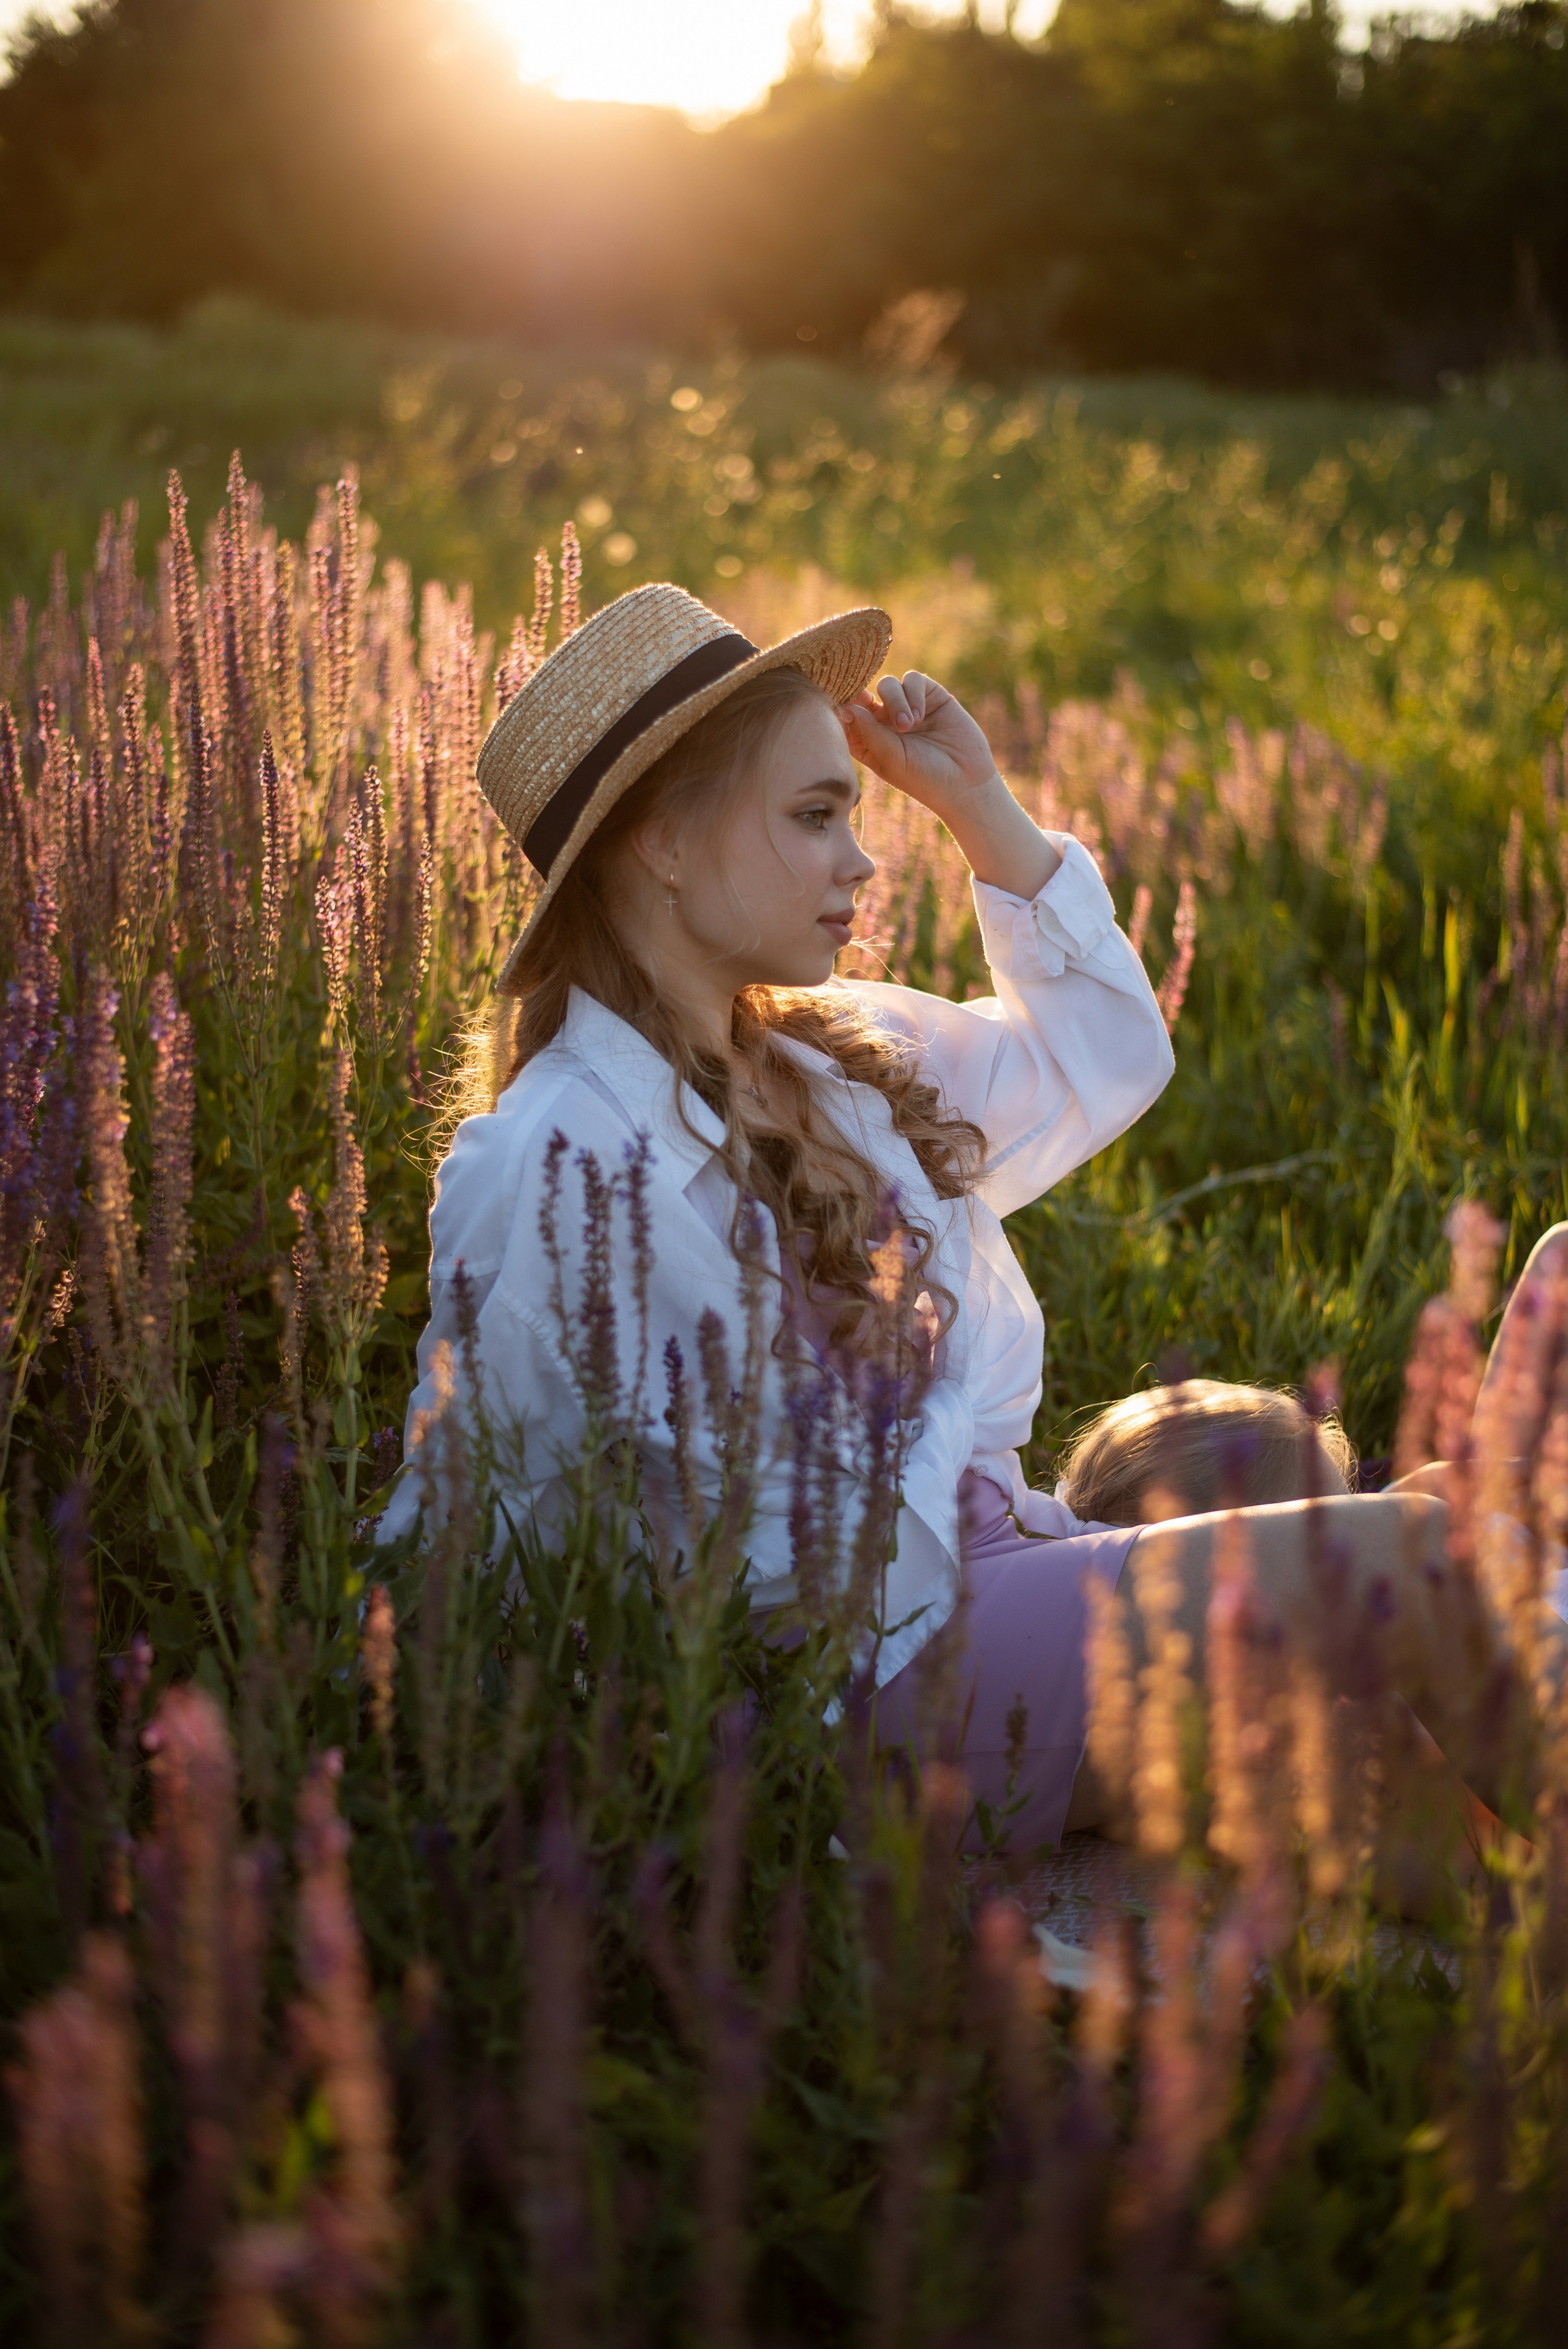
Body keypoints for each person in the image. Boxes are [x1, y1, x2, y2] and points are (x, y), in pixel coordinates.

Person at [383, 578, 1558, 1857]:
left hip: (972, 1588)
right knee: (1407, 1559)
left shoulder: (826, 1057)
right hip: (864, 1676)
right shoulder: (556, 1152)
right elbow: (499, 1517)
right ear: (663, 841)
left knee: (1389, 1745)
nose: (862, 855)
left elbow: (1102, 1058)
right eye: (815, 814)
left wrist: (973, 803)